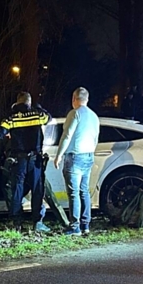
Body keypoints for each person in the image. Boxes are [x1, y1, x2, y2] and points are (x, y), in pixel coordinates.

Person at [0, 92, 52, 232]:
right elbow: (48, 118)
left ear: (17, 102)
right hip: (35, 159)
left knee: (17, 190)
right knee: (37, 190)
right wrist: (39, 107)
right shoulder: (37, 114)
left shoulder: (12, 117)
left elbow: (1, 132)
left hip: (18, 159)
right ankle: (37, 223)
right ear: (29, 102)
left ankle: (16, 223)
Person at [54, 87, 100, 235]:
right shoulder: (94, 116)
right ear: (87, 99)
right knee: (84, 191)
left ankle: (74, 226)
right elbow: (95, 138)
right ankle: (85, 225)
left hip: (75, 156)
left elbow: (67, 135)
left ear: (74, 99)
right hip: (88, 155)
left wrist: (59, 155)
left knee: (73, 193)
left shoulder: (75, 114)